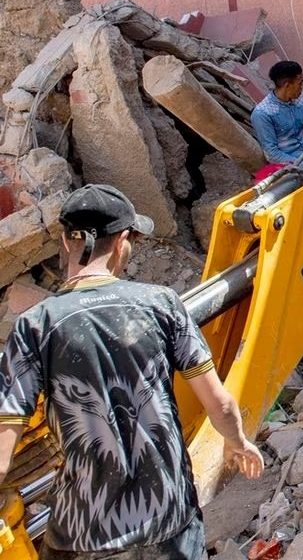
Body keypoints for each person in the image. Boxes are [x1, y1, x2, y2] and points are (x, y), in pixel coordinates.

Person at [0, 184, 264, 559]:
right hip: (169, 525)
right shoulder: (162, 305)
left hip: (84, 536)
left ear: (64, 240)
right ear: (123, 240)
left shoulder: (35, 326)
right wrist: (238, 443)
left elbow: (2, 449)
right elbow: (219, 405)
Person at [251, 60, 303, 171]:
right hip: (292, 168)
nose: (302, 87)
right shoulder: (262, 113)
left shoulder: (300, 100)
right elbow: (272, 154)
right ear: (287, 85)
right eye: (299, 83)